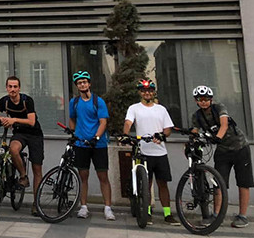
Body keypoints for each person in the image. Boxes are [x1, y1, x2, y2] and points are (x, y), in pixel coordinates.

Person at [190, 85, 254, 228]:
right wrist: (191, 142)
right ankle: (216, 215)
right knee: (218, 183)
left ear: (211, 99)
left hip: (240, 147)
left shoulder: (219, 108)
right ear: (196, 101)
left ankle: (242, 216)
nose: (203, 102)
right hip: (222, 151)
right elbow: (194, 131)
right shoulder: (197, 116)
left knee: (243, 182)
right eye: (200, 99)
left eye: (206, 99)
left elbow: (224, 124)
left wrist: (217, 138)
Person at [0, 75, 44, 216]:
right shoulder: (5, 101)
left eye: (15, 87)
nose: (12, 89)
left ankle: (36, 204)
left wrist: (13, 120)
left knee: (37, 168)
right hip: (19, 134)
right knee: (13, 149)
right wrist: (3, 119)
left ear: (19, 88)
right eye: (10, 86)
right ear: (6, 88)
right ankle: (23, 176)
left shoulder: (27, 100)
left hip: (34, 134)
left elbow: (31, 121)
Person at [123, 79, 178, 225]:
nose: (147, 93)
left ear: (153, 92)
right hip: (143, 151)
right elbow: (128, 122)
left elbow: (168, 128)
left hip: (160, 152)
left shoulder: (161, 109)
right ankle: (146, 212)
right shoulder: (134, 108)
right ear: (140, 93)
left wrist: (163, 135)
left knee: (163, 184)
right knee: (146, 184)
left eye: (149, 91)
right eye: (144, 91)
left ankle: (167, 214)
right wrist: (125, 135)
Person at [68, 71, 115, 221]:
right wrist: (73, 134)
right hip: (81, 144)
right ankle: (83, 207)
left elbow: (103, 122)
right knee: (83, 176)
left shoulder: (98, 101)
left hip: (98, 145)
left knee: (103, 176)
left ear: (89, 84)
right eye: (79, 83)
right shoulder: (74, 102)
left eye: (84, 82)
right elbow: (72, 119)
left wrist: (96, 137)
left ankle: (108, 207)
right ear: (77, 86)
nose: (82, 85)